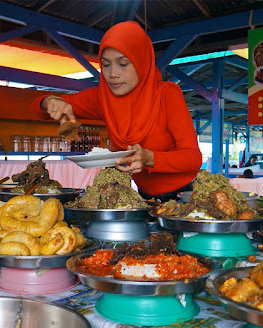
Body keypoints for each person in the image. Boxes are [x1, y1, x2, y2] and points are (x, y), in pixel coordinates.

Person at [31, 21, 202, 202]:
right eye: (106, 65)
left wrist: (149, 157)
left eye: (123, 64)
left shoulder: (167, 94)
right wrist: (50, 102)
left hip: (184, 197)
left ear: (141, 61)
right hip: (144, 198)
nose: (113, 74)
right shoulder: (102, 98)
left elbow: (193, 158)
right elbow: (38, 109)